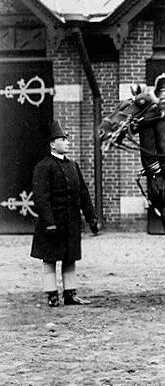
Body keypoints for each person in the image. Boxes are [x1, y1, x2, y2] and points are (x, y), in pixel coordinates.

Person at [30, 121, 100, 307]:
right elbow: (41, 198)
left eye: (67, 140)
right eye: (63, 139)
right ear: (53, 144)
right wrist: (49, 222)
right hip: (52, 223)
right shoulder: (43, 166)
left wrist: (91, 216)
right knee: (50, 258)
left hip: (71, 222)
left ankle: (70, 294)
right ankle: (52, 294)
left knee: (70, 257)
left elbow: (83, 193)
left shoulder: (73, 165)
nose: (68, 143)